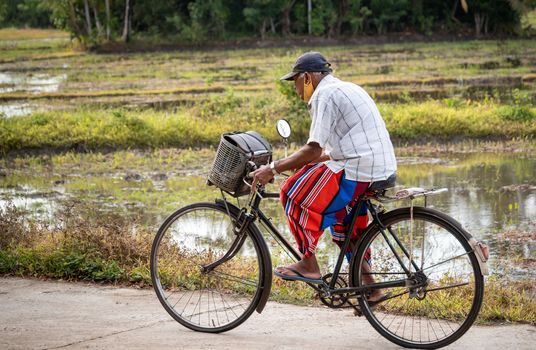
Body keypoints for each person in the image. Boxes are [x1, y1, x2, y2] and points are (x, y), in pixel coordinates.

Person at [251, 52, 397, 301]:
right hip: (379, 167)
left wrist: (273, 169)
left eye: (295, 81)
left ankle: (308, 264)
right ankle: (371, 286)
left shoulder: (323, 95)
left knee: (292, 192)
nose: (296, 89)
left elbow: (314, 149)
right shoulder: (347, 88)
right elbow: (333, 150)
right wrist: (297, 163)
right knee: (344, 222)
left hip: (358, 170)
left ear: (307, 77)